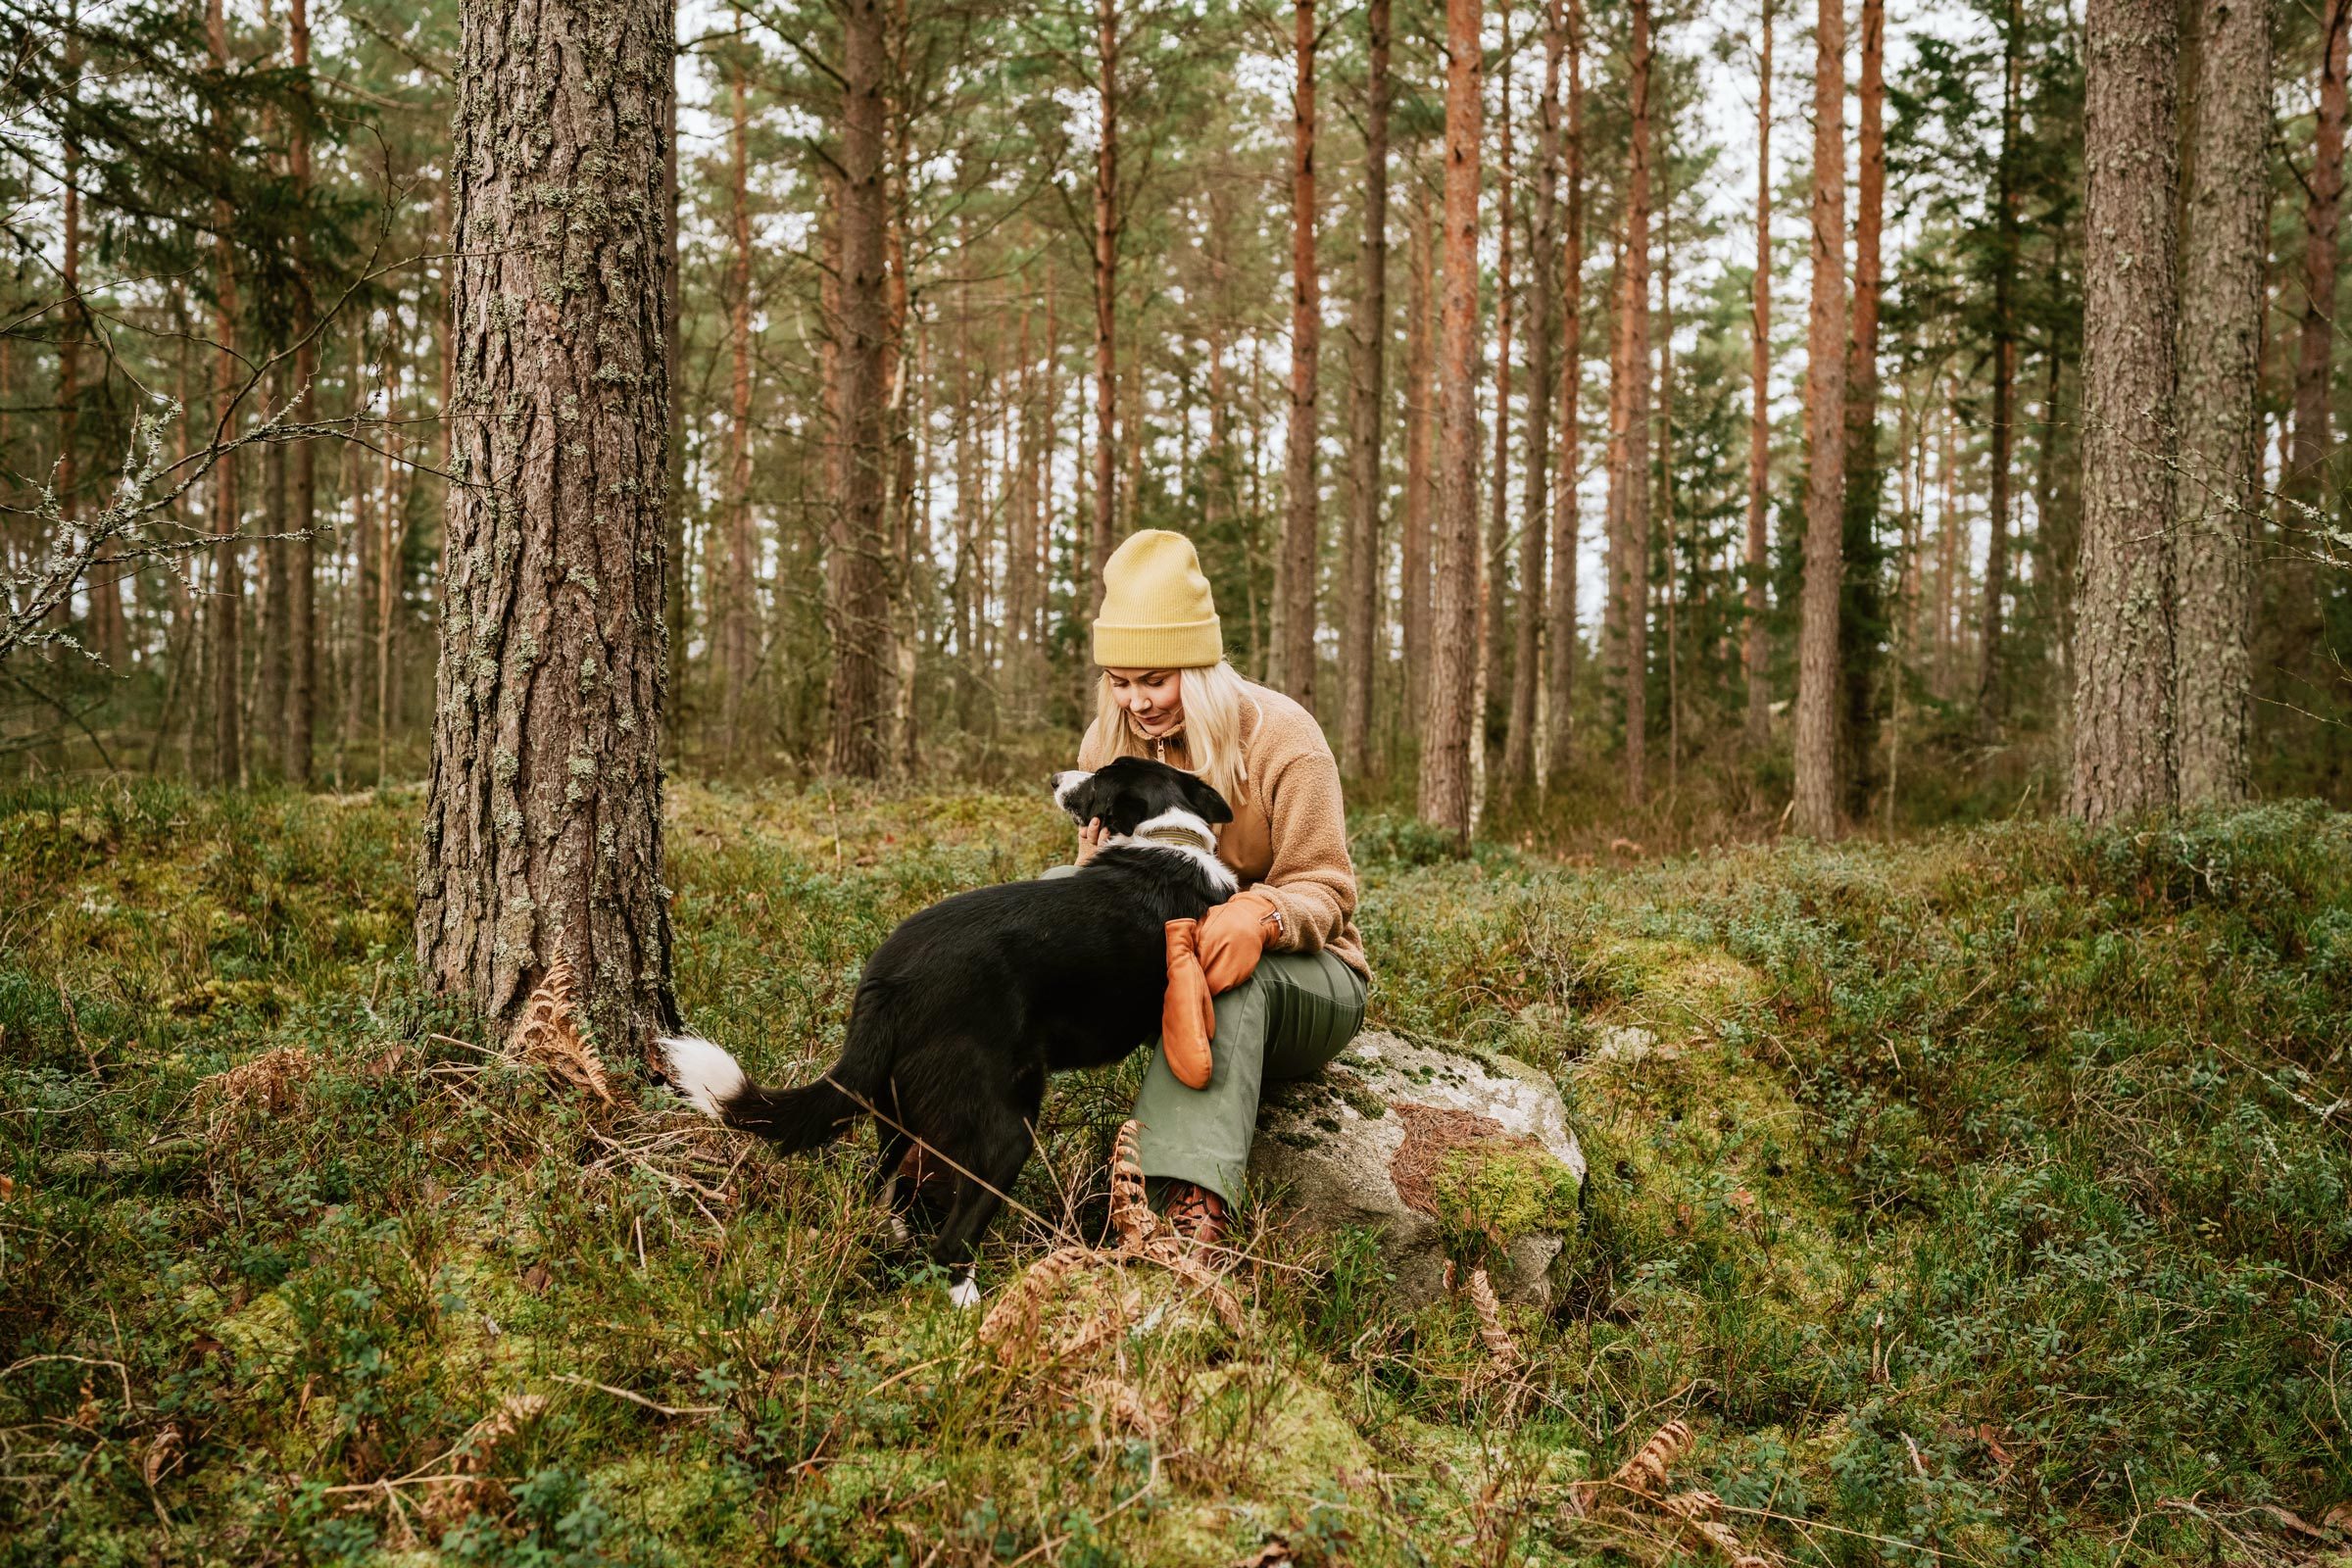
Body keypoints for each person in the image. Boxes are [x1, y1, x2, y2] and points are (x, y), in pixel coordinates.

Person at [1055, 529, 1369, 1245]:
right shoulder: (1105, 746)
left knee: (1233, 976)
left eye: (1156, 680)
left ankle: (1183, 1211)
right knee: (1038, 903)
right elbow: (1085, 886)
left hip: (1308, 977)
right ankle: (950, 1142)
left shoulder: (1284, 739)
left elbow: (1329, 886)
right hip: (1169, 963)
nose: (1138, 702)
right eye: (1121, 682)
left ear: (1197, 667)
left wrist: (1262, 913)